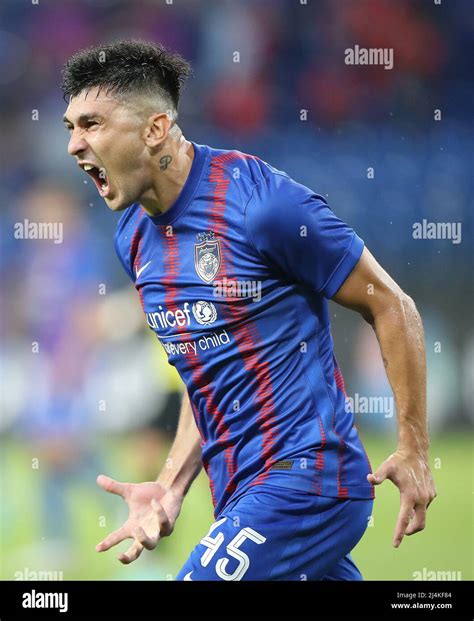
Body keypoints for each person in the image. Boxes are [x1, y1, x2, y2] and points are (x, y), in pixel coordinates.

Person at [61, 40, 436, 580]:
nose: (75, 145)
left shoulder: (263, 205)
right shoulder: (133, 239)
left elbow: (392, 304)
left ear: (154, 129)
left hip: (307, 478)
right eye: (70, 127)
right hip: (238, 493)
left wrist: (415, 446)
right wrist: (170, 486)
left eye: (91, 124)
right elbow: (204, 370)